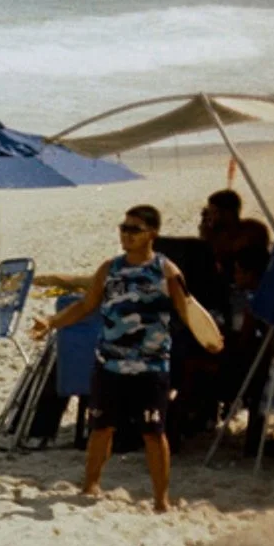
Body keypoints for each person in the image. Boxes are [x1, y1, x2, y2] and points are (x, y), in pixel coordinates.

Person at [34, 205, 213, 514]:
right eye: (123, 227)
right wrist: (52, 322)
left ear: (152, 234)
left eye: (134, 229)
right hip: (110, 363)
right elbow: (85, 306)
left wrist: (208, 340)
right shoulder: (110, 269)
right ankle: (90, 485)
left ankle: (161, 499)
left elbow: (188, 311)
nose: (126, 234)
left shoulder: (166, 271)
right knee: (101, 428)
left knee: (153, 433)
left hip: (151, 366)